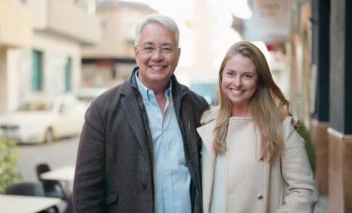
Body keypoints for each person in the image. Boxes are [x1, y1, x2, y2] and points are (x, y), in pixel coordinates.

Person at [72, 14, 209, 212]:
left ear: (178, 55)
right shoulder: (103, 110)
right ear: (136, 53)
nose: (157, 56)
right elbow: (86, 193)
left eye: (166, 48)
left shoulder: (197, 107)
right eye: (149, 48)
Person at [197, 41, 318, 213]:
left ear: (259, 80)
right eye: (231, 74)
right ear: (221, 76)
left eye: (247, 76)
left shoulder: (281, 127)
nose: (237, 83)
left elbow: (304, 192)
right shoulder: (206, 121)